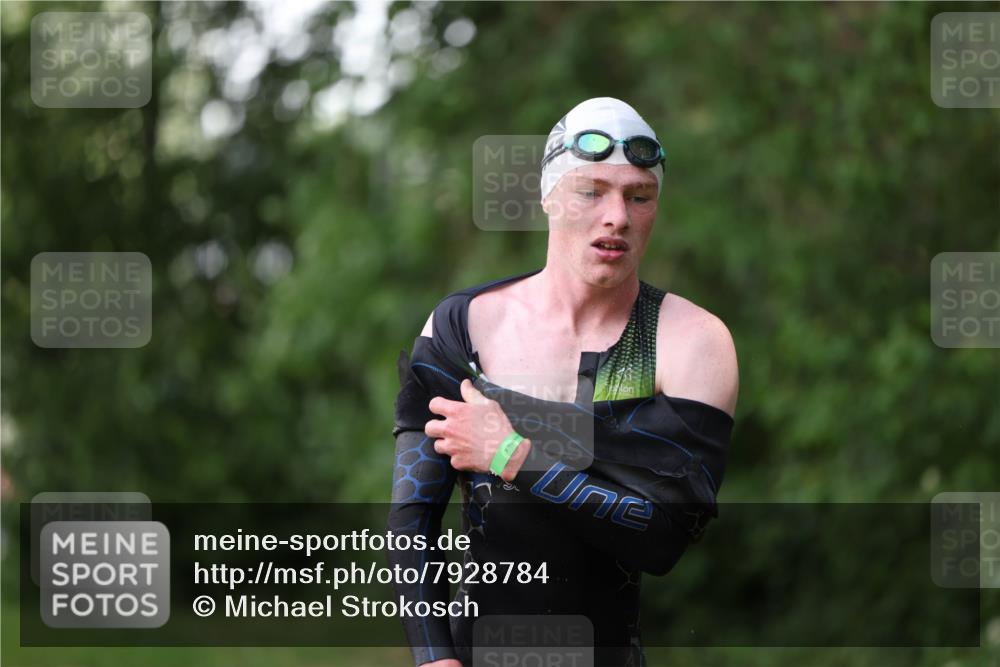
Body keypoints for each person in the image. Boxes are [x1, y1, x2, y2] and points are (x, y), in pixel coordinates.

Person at [387, 97, 739, 667]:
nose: (617, 216)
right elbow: (412, 520)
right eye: (592, 191)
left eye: (638, 196)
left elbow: (663, 538)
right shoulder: (464, 326)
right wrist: (434, 659)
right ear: (549, 196)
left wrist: (509, 452)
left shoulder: (692, 341)